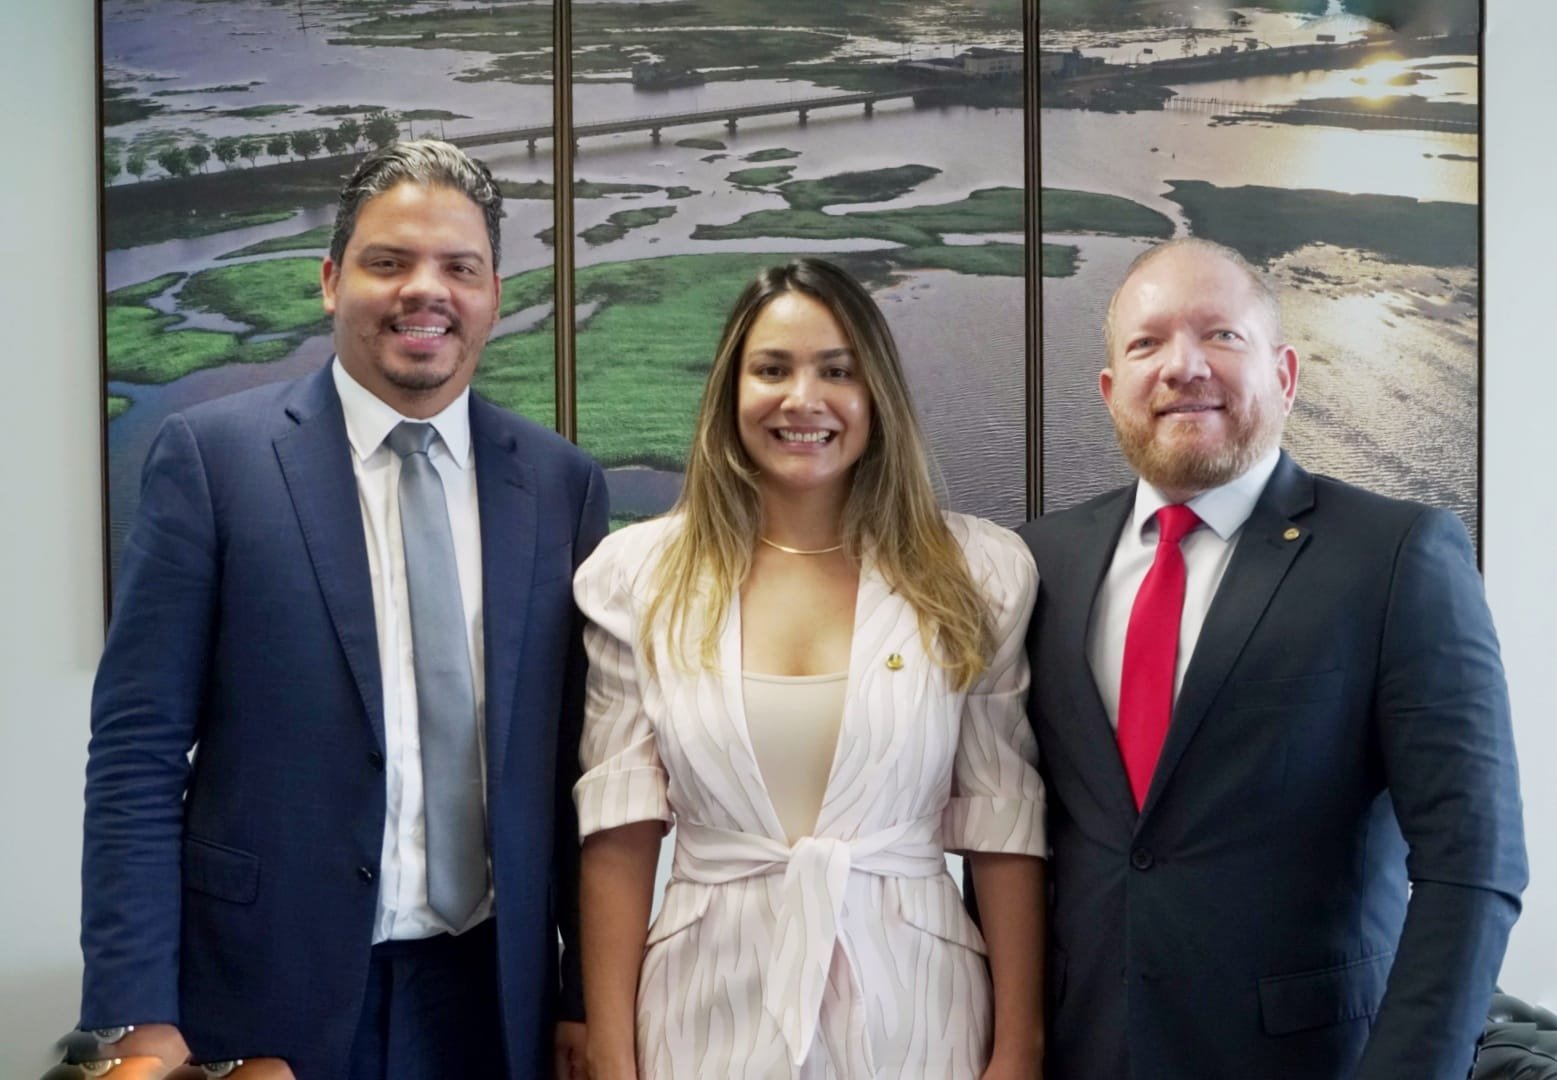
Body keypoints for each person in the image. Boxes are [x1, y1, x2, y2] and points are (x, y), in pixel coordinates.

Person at [79, 140, 606, 1079]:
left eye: (460, 267)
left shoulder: (560, 486)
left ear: (494, 293)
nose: (425, 291)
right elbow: (136, 752)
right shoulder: (213, 460)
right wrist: (134, 1014)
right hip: (265, 999)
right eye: (388, 261)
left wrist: (580, 998)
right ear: (330, 280)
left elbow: (577, 768)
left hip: (492, 999)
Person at [1021, 237, 1526, 1079]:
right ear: (1111, 393)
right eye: (1146, 343)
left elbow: (1473, 862)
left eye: (1221, 335)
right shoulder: (1036, 562)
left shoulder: (1395, 555)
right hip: (1080, 1051)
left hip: (1309, 1059)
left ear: (1284, 375)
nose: (1182, 366)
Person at [572, 258, 1047, 1080]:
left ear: (877, 397)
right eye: (772, 369)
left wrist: (1017, 1049)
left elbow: (1004, 822)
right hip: (701, 1007)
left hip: (918, 1009)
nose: (803, 399)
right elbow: (619, 834)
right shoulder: (636, 578)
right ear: (731, 390)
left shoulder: (975, 570)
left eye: (837, 371)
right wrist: (614, 1058)